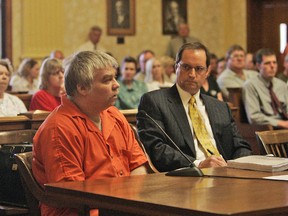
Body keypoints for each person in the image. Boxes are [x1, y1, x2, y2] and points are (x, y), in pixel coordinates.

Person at [32, 51, 148, 216]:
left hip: (122, 207)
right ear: (82, 88)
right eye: (107, 80)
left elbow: (137, 165)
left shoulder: (114, 114)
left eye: (115, 77)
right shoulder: (58, 128)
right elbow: (73, 194)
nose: (117, 84)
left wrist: (132, 205)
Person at [137, 42, 251, 172]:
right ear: (176, 67)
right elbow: (156, 149)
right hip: (186, 178)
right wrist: (199, 164)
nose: (192, 74)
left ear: (207, 71)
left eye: (199, 69)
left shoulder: (220, 107)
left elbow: (241, 146)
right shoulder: (154, 101)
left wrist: (234, 169)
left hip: (227, 176)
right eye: (186, 67)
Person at [242, 48, 288, 129]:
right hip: (267, 128)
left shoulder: (282, 85)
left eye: (274, 62)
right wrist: (280, 123)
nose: (272, 66)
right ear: (258, 66)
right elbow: (254, 117)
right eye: (267, 63)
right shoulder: (250, 85)